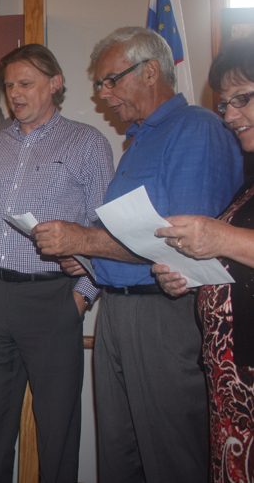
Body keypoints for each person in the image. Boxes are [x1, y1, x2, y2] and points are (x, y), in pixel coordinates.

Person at [31, 27, 244, 483]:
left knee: (170, 457)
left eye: (110, 80)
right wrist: (89, 258)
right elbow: (132, 236)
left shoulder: (197, 129)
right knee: (119, 456)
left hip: (166, 316)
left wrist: (85, 241)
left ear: (150, 71)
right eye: (100, 85)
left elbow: (185, 243)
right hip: (118, 313)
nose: (104, 95)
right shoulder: (138, 138)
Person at [0, 43, 114, 483]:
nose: (15, 93)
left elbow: (106, 232)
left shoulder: (87, 144)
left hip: (54, 298)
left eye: (26, 83)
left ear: (55, 84)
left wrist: (81, 298)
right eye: (10, 84)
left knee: (57, 431)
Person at [152, 37, 254, 483]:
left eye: (243, 99)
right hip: (231, 374)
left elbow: (233, 243)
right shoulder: (249, 179)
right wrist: (191, 273)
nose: (230, 116)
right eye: (224, 104)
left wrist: (220, 237)